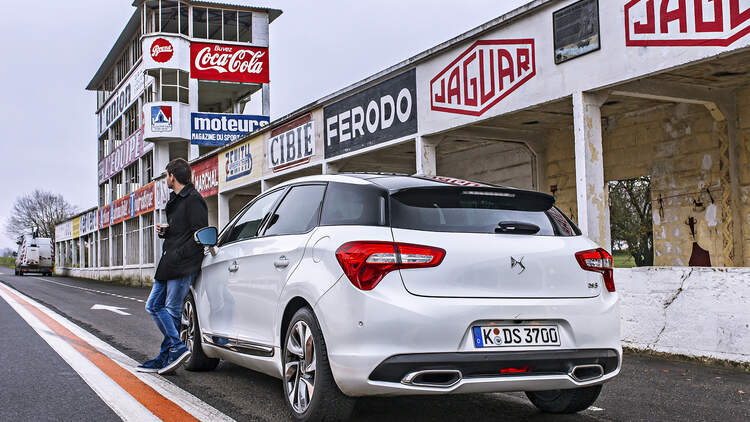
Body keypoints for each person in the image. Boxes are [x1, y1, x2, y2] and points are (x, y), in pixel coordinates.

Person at [137, 158, 208, 375]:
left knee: (172, 310)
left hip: (182, 264)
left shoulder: (194, 200)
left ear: (172, 176)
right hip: (170, 262)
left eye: (167, 175)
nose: (166, 179)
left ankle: (171, 353)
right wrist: (167, 231)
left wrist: (178, 254)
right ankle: (172, 352)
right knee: (153, 305)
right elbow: (183, 231)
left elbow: (199, 235)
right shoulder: (176, 200)